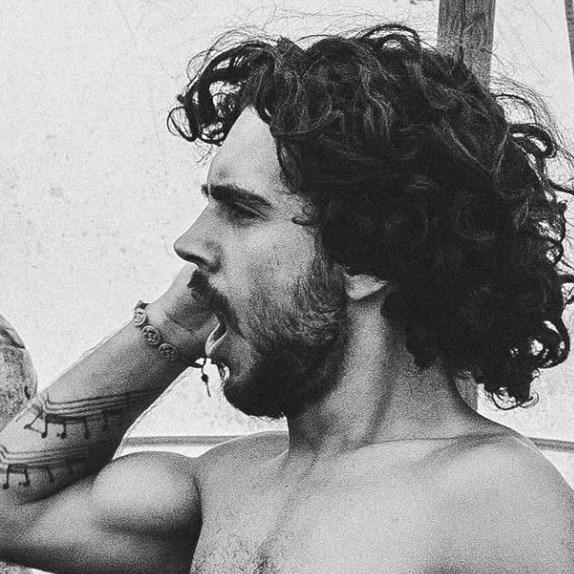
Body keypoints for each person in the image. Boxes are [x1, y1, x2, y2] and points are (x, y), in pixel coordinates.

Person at [0, 23, 573, 573]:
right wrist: (172, 324)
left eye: (240, 210)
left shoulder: (497, 501)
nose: (188, 242)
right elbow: (13, 512)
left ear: (364, 256)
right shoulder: (227, 486)